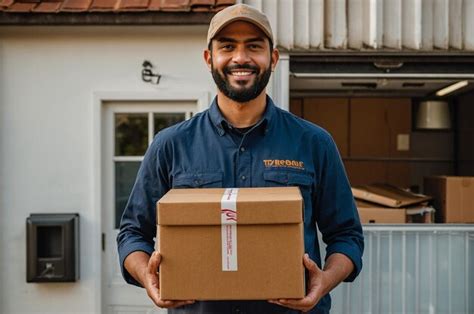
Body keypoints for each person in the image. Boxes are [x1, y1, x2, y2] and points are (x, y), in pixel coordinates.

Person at [117, 4, 364, 314]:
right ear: (209, 59)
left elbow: (347, 236)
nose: (240, 58)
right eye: (227, 46)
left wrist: (324, 281)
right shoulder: (171, 145)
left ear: (272, 59)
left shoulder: (314, 143)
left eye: (254, 46)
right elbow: (133, 234)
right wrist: (148, 277)